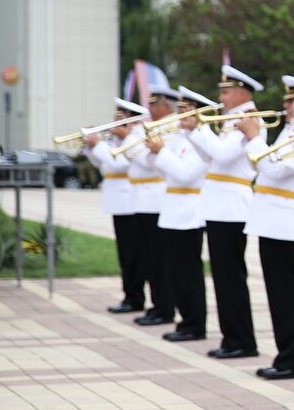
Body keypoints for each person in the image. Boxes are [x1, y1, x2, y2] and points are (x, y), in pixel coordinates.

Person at [244, 77, 294, 381]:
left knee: (288, 292)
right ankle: (286, 355)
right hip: (273, 218)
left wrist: (253, 137)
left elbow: (274, 169)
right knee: (278, 293)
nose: (285, 107)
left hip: (287, 219)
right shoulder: (291, 130)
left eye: (291, 101)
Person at [188, 64, 264, 361]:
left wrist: (199, 127)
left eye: (225, 91)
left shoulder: (249, 119)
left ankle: (242, 339)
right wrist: (196, 133)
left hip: (232, 206)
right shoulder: (230, 119)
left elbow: (222, 154)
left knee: (231, 276)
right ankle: (231, 336)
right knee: (222, 276)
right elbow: (211, 155)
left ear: (242, 92)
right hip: (219, 204)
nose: (220, 96)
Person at [145, 88, 211, 343]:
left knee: (189, 274)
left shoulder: (200, 141)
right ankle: (185, 321)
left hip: (190, 210)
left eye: (186, 111)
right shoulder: (181, 138)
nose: (180, 116)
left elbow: (185, 174)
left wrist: (161, 152)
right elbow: (160, 169)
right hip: (173, 208)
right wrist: (155, 151)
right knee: (176, 272)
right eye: (181, 110)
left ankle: (195, 324)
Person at [85, 97, 147, 314]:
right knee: (125, 254)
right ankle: (130, 294)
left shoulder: (135, 138)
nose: (114, 122)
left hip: (128, 201)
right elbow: (101, 164)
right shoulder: (118, 141)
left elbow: (118, 164)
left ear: (131, 119)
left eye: (120, 118)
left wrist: (99, 144)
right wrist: (91, 146)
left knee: (133, 255)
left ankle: (135, 297)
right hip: (117, 200)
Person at [127, 89, 175, 328]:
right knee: (149, 258)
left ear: (167, 106)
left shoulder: (168, 130)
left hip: (156, 199)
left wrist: (135, 142)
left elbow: (150, 164)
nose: (151, 110)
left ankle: (164, 307)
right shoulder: (153, 129)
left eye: (155, 105)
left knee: (159, 260)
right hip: (143, 200)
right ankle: (157, 305)